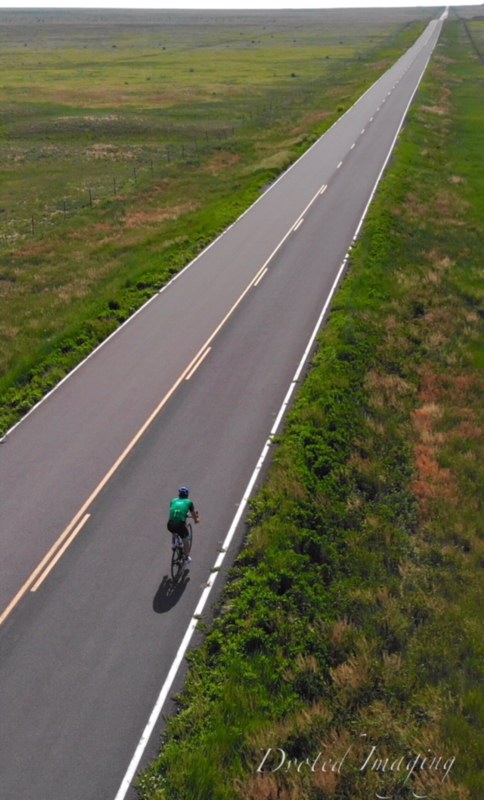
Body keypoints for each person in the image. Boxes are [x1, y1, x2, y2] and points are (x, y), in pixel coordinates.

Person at [167, 486, 199, 562]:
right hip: (180, 526)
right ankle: (187, 557)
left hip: (170, 524)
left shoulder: (173, 500)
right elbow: (194, 514)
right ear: (187, 495)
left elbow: (176, 510)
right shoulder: (189, 502)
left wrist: (185, 514)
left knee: (174, 528)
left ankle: (174, 544)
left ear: (179, 494)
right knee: (186, 541)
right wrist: (196, 520)